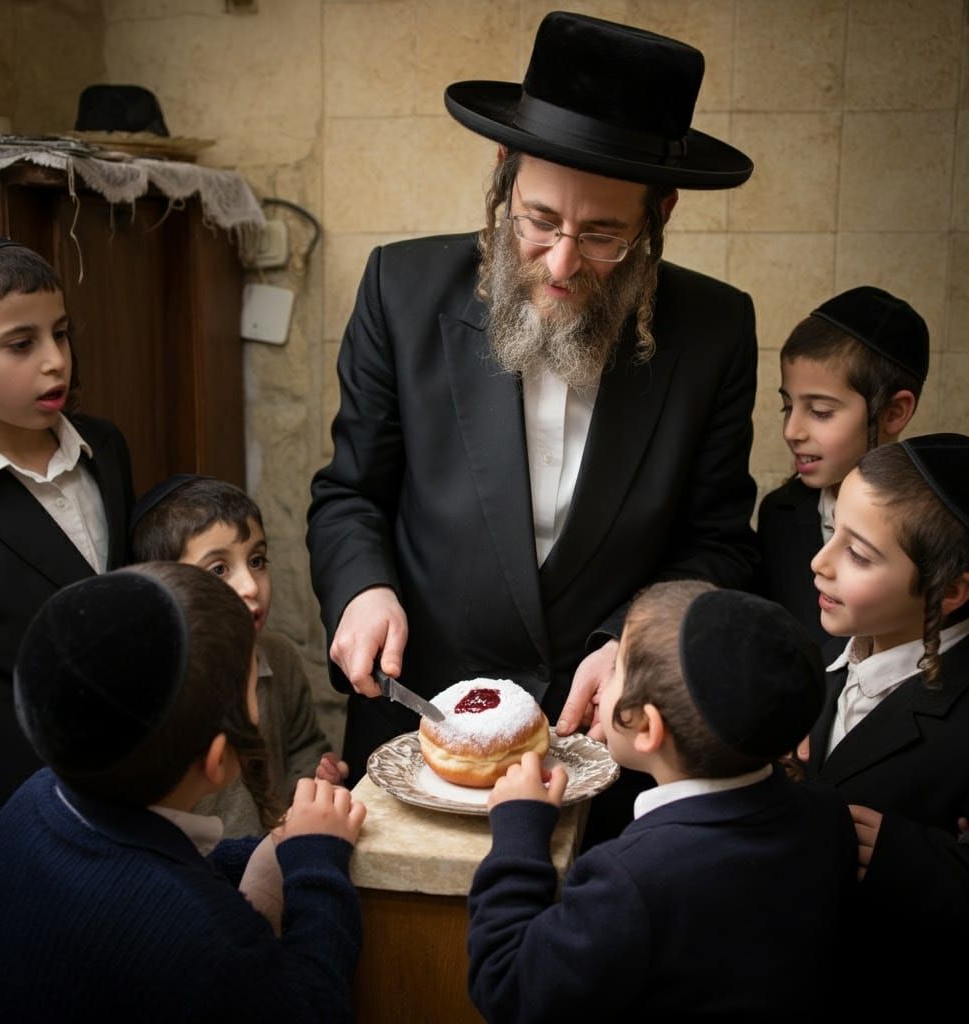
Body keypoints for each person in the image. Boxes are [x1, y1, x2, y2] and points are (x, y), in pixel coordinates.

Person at [306, 12, 760, 802]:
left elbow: (718, 542)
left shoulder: (716, 331)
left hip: (608, 743)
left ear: (660, 214)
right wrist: (362, 588)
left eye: (603, 236)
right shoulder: (399, 291)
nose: (561, 263)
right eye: (540, 221)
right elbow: (350, 495)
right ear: (504, 172)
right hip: (421, 729)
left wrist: (635, 640)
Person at [0, 563, 365, 1022]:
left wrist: (264, 851)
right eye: (252, 689)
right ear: (218, 760)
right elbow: (313, 1008)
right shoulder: (207, 940)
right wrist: (316, 863)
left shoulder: (32, 801)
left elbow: (149, 860)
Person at [466, 581, 856, 1019]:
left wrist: (519, 831)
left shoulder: (627, 880)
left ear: (648, 729)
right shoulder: (828, 816)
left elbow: (508, 985)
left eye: (617, 668)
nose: (603, 680)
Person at [0, 231, 134, 973]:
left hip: (127, 808)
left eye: (60, 333)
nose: (55, 361)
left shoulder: (104, 449)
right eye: (20, 344)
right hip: (8, 833)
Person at [802, 433, 969, 1010]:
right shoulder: (828, 655)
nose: (819, 562)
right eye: (831, 532)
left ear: (948, 592)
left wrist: (913, 858)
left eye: (858, 554)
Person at [130, 474, 347, 837]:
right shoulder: (163, 694)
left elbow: (304, 746)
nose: (250, 586)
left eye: (257, 561)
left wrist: (314, 780)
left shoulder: (280, 657)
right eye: (219, 569)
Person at [756, 285, 927, 647]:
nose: (791, 431)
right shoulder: (778, 516)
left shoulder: (932, 529)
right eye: (788, 406)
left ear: (894, 412)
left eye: (820, 411)